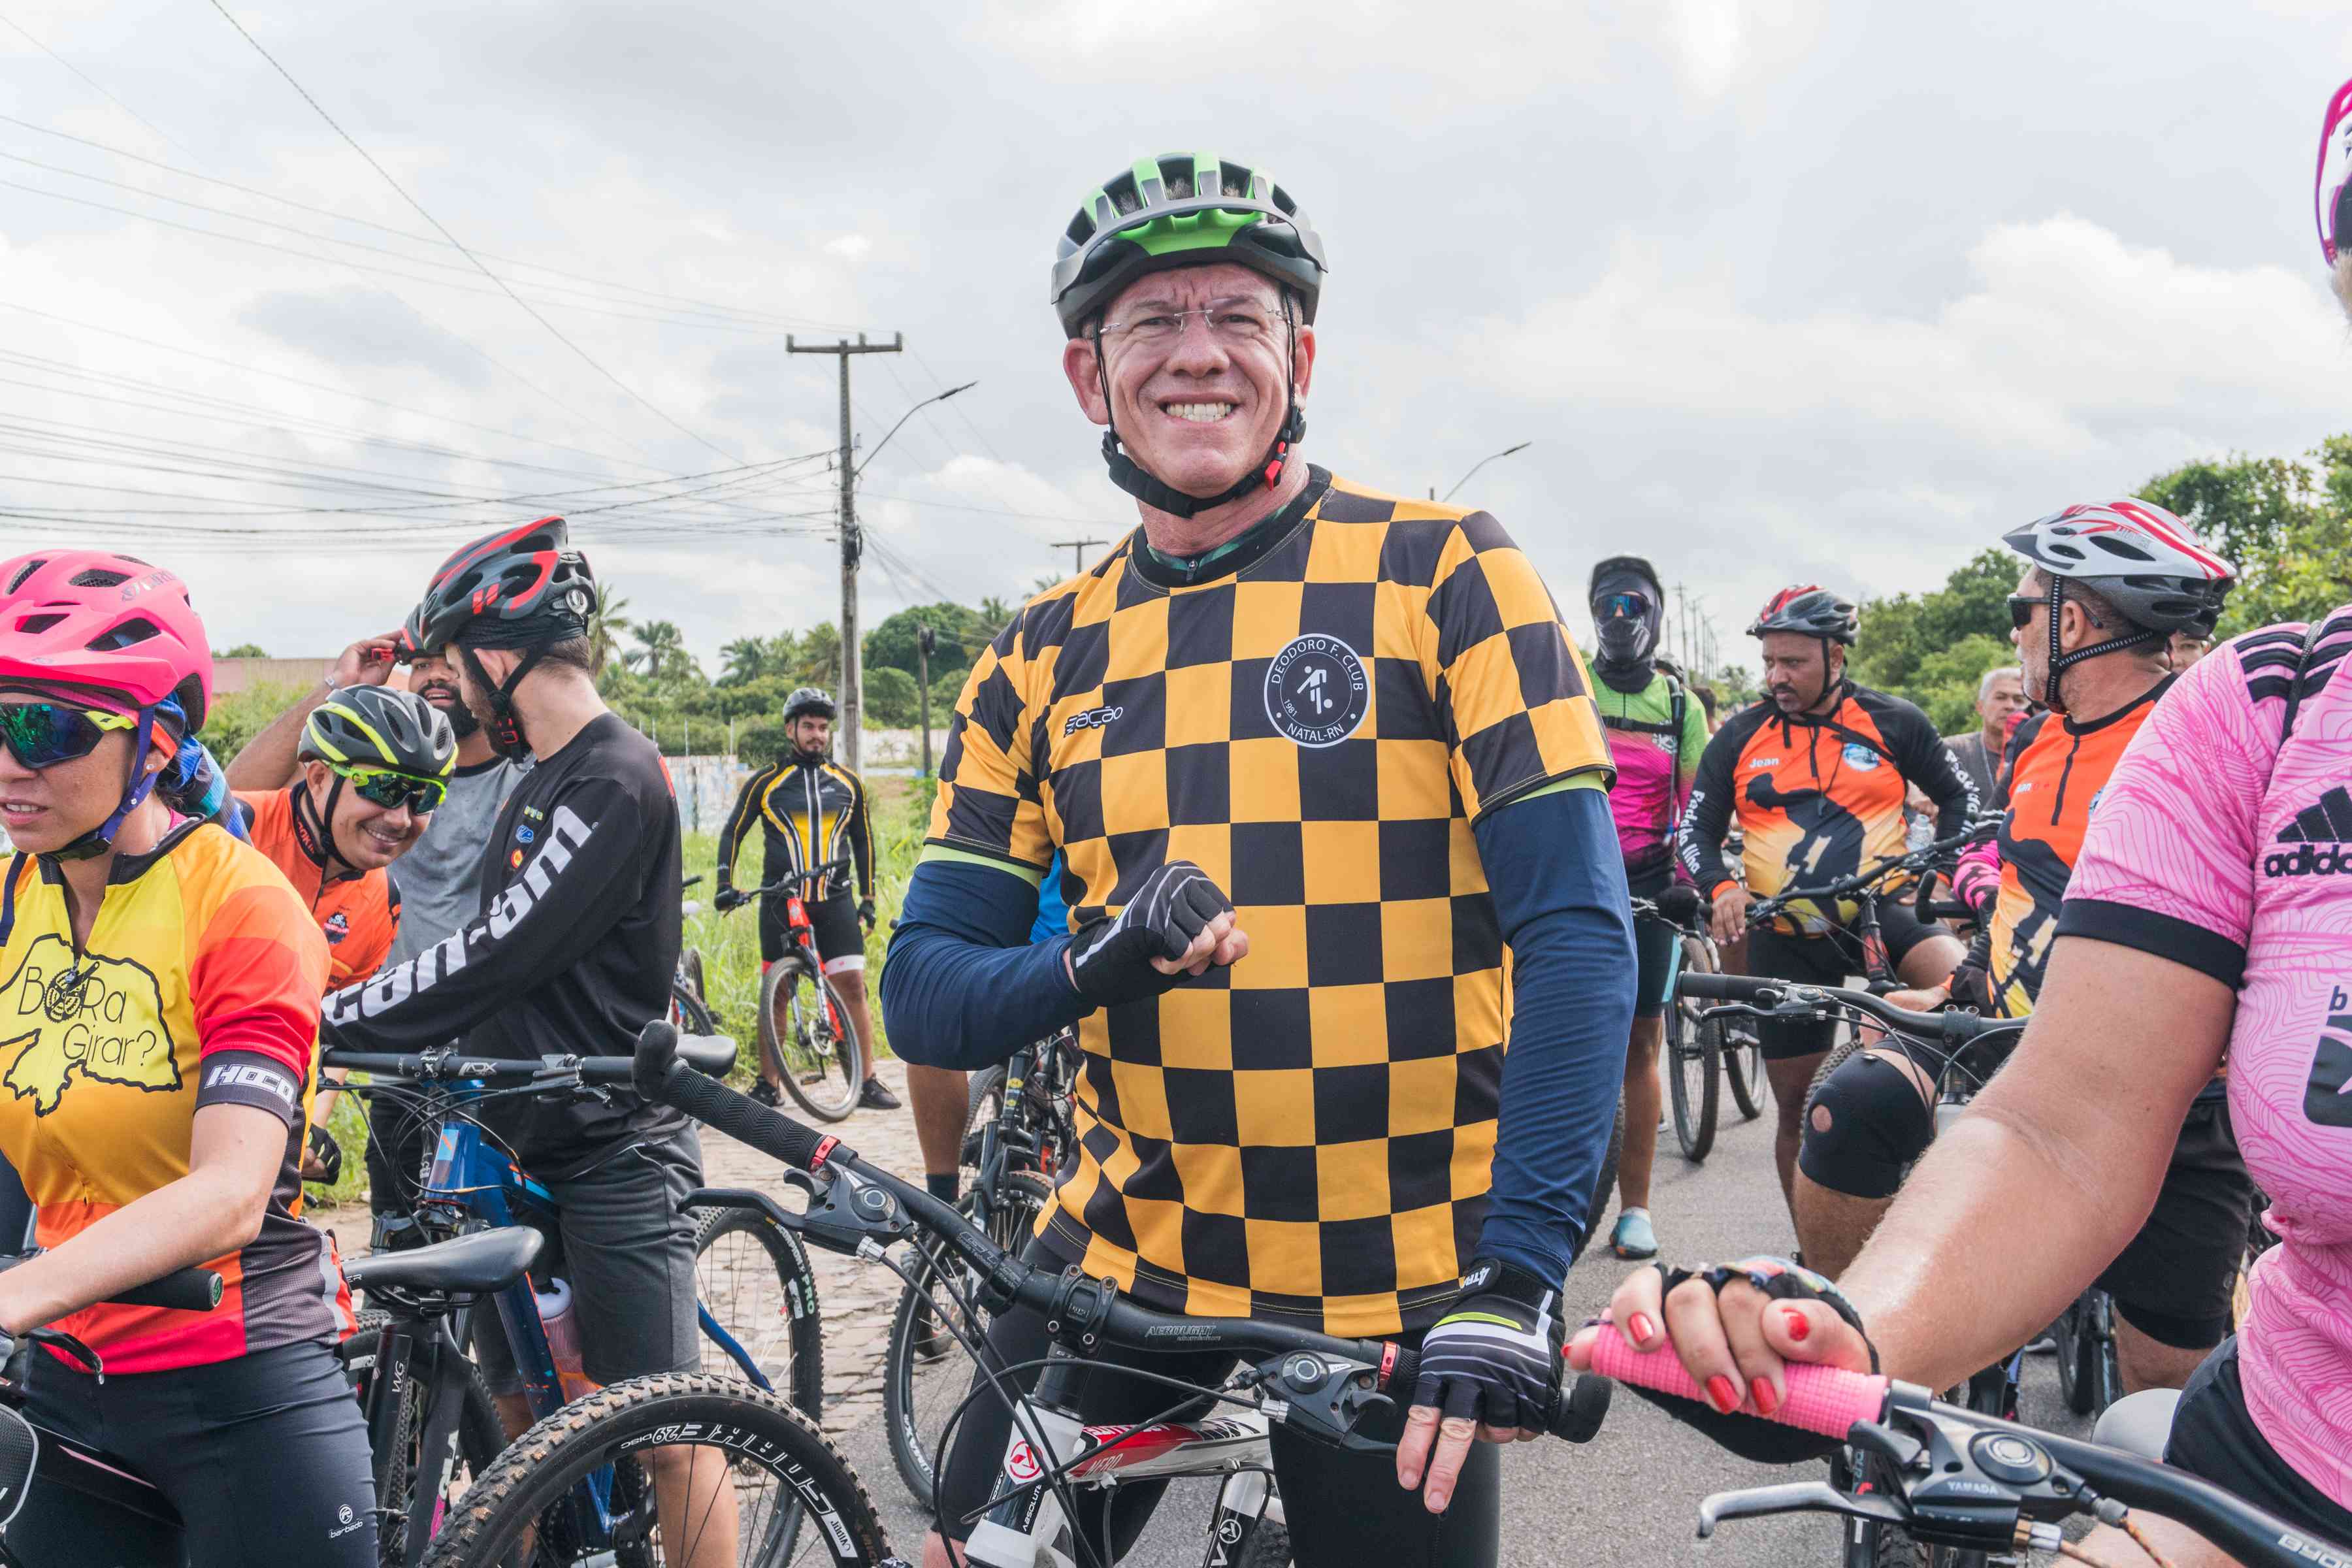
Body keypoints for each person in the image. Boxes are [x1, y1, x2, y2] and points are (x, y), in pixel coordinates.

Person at [881, 152, 1632, 1568]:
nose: (1197, 355)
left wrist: (1520, 1277)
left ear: (1300, 351)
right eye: (1150, 324)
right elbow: (923, 990)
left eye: (1237, 312)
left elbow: (1583, 936)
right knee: (967, 1557)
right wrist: (1092, 957)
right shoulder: (1038, 650)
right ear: (1086, 377)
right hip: (1123, 1260)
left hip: (1396, 1277)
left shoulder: (1446, 568)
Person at [319, 517, 738, 1563]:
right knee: (519, 1419)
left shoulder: (614, 777)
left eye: (454, 666)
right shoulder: (537, 779)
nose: (451, 689)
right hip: (520, 1139)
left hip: (613, 1147)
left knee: (667, 1431)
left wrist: (329, 1017)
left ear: (496, 656)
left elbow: (496, 952)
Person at [1791, 503, 2255, 1405]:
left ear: (2072, 622)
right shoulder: (2039, 738)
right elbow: (2022, 896)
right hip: (2003, 1035)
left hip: (2160, 1085)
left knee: (2166, 1377)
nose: (2014, 627)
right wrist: (1962, 981)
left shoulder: (2198, 738)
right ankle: (1866, 1374)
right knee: (1847, 1106)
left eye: (2024, 605)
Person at [0, 549, 374, 1565]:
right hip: (64, 1378)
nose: (7, 761)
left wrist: (12, 1296)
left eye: (45, 727)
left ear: (157, 743)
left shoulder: (241, 905)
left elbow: (228, 1194)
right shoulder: (10, 896)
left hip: (239, 1387)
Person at [1676, 586, 1977, 1217]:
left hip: (1885, 915)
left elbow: (1961, 801)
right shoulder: (1739, 734)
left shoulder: (1894, 720)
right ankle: (1815, 1247)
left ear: (1836, 656)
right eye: (1770, 663)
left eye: (1794, 663)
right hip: (1786, 934)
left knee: (1969, 999)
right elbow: (1695, 832)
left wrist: (1942, 874)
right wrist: (1721, 886)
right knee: (1798, 1107)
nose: (1776, 677)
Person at [229, 683, 453, 1184]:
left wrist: (310, 1126)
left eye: (425, 796)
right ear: (318, 776)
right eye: (381, 789)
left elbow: (330, 1032)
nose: (399, 818)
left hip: (262, 1140)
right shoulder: (234, 831)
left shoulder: (384, 903)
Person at [1586, 556, 1710, 1261]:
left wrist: (1689, 882)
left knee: (1642, 1044)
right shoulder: (1571, 684)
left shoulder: (1677, 706)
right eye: (1609, 607)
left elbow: (1694, 809)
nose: (1621, 622)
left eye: (1635, 607)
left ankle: (1635, 1208)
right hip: (1583, 881)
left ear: (1655, 615)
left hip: (1653, 886)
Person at [712, 685, 892, 1110]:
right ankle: (767, 1084)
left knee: (851, 985)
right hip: (780, 899)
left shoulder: (849, 784)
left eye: (823, 728)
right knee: (776, 991)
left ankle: (866, 1081)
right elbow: (732, 832)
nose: (817, 735)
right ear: (790, 729)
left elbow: (863, 841)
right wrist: (725, 883)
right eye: (808, 726)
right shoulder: (767, 782)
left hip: (835, 899)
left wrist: (868, 898)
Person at [1942, 665, 2024, 805]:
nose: (2010, 706)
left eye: (2018, 700)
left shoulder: (2039, 754)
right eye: (2001, 697)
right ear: (1981, 707)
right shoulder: (1952, 749)